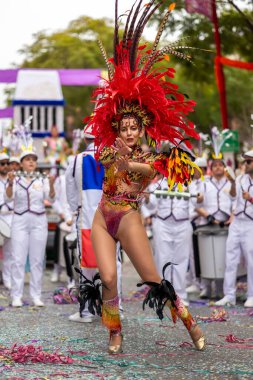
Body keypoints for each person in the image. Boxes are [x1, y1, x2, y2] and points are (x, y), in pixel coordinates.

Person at [80, 0, 206, 354]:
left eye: (135, 127)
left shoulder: (150, 158)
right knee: (106, 278)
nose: (130, 132)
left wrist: (128, 162)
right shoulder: (107, 150)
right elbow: (105, 158)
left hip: (129, 218)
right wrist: (114, 156)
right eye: (125, 127)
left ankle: (190, 322)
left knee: (152, 280)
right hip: (103, 216)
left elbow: (146, 171)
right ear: (117, 127)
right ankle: (114, 333)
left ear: (143, 129)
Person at [66, 133, 123, 323]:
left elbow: (70, 191)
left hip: (88, 219)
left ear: (85, 139)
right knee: (114, 263)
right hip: (111, 217)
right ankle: (115, 309)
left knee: (87, 264)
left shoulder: (76, 160)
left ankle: (87, 311)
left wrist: (77, 208)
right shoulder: (114, 156)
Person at [6, 149, 55, 307]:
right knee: (18, 259)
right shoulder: (16, 178)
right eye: (27, 159)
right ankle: (16, 295)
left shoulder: (42, 179)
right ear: (21, 163)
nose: (31, 162)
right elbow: (8, 197)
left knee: (37, 259)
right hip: (20, 219)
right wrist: (11, 182)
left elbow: (50, 198)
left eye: (33, 159)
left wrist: (52, 184)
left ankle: (36, 295)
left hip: (38, 219)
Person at [216, 150, 253, 307]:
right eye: (245, 161)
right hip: (237, 222)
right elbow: (232, 196)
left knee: (252, 261)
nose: (246, 164)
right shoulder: (239, 179)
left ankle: (251, 295)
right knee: (230, 259)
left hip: (251, 224)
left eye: (249, 161)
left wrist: (250, 198)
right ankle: (229, 295)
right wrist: (232, 184)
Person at [195, 158, 236, 299]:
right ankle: (205, 287)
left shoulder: (231, 184)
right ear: (211, 169)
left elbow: (235, 202)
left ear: (225, 168)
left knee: (222, 257)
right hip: (207, 223)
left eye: (220, 165)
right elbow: (197, 205)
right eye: (215, 166)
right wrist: (209, 217)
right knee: (206, 256)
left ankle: (220, 289)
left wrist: (231, 217)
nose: (218, 168)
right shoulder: (204, 184)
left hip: (224, 225)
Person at [0, 152, 13, 289]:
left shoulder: (14, 180)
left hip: (11, 216)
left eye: (7, 163)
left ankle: (7, 279)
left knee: (10, 252)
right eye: (2, 163)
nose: (5, 166)